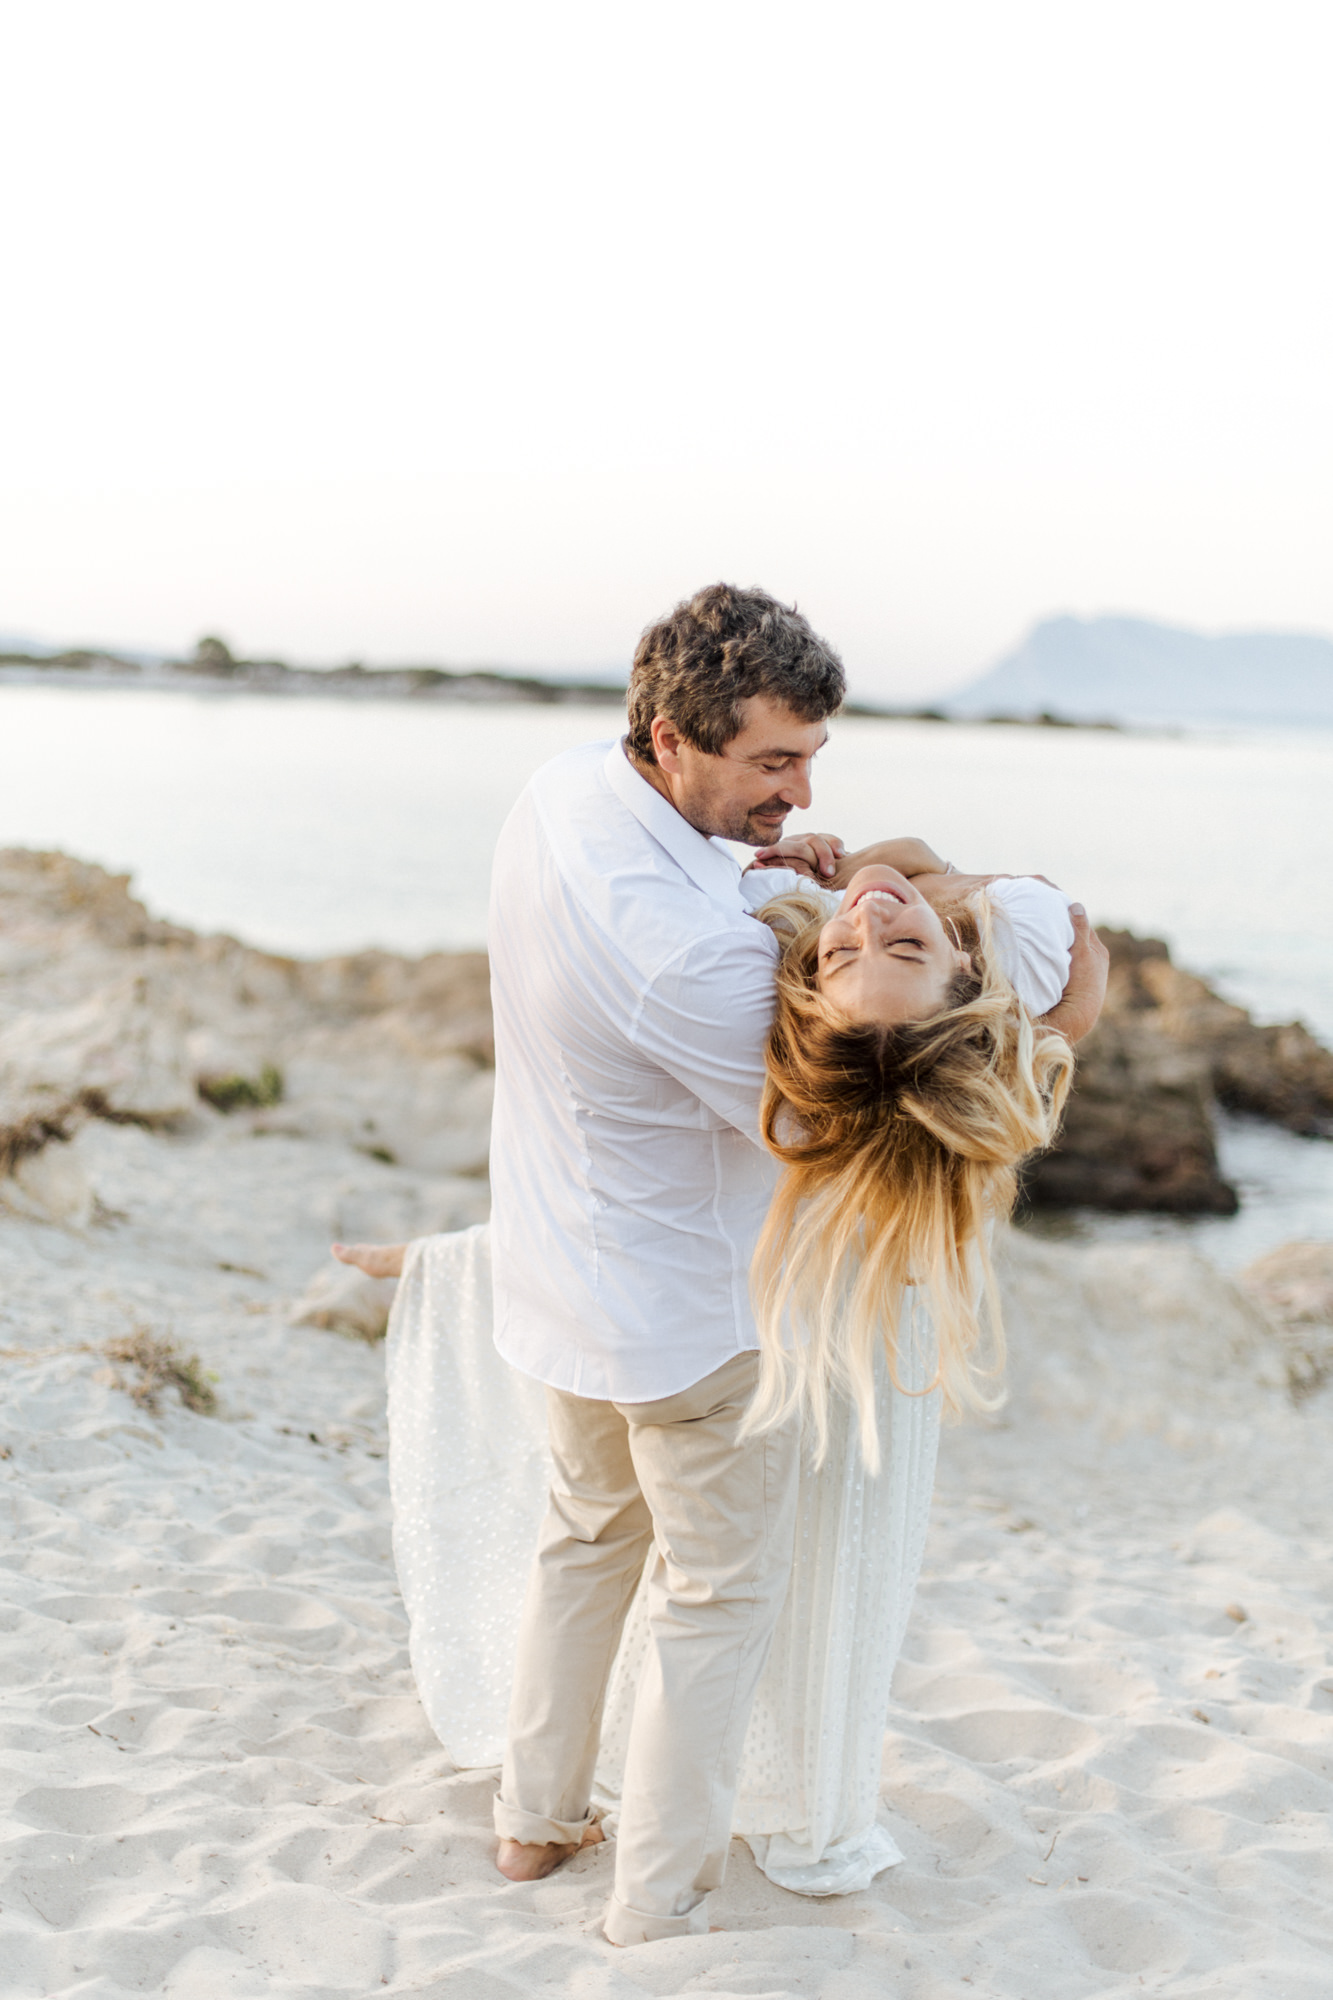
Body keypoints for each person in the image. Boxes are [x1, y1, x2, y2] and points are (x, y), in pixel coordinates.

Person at [334, 583, 1107, 1941]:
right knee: (713, 1600)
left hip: (561, 1292)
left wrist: (777, 870)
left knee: (581, 1546)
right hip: (690, 1325)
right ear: (670, 735)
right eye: (771, 763)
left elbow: (768, 915)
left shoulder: (568, 791)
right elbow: (871, 1104)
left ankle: (532, 1824)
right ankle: (654, 1896)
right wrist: (1029, 1014)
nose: (804, 791)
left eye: (810, 755)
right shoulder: (703, 976)